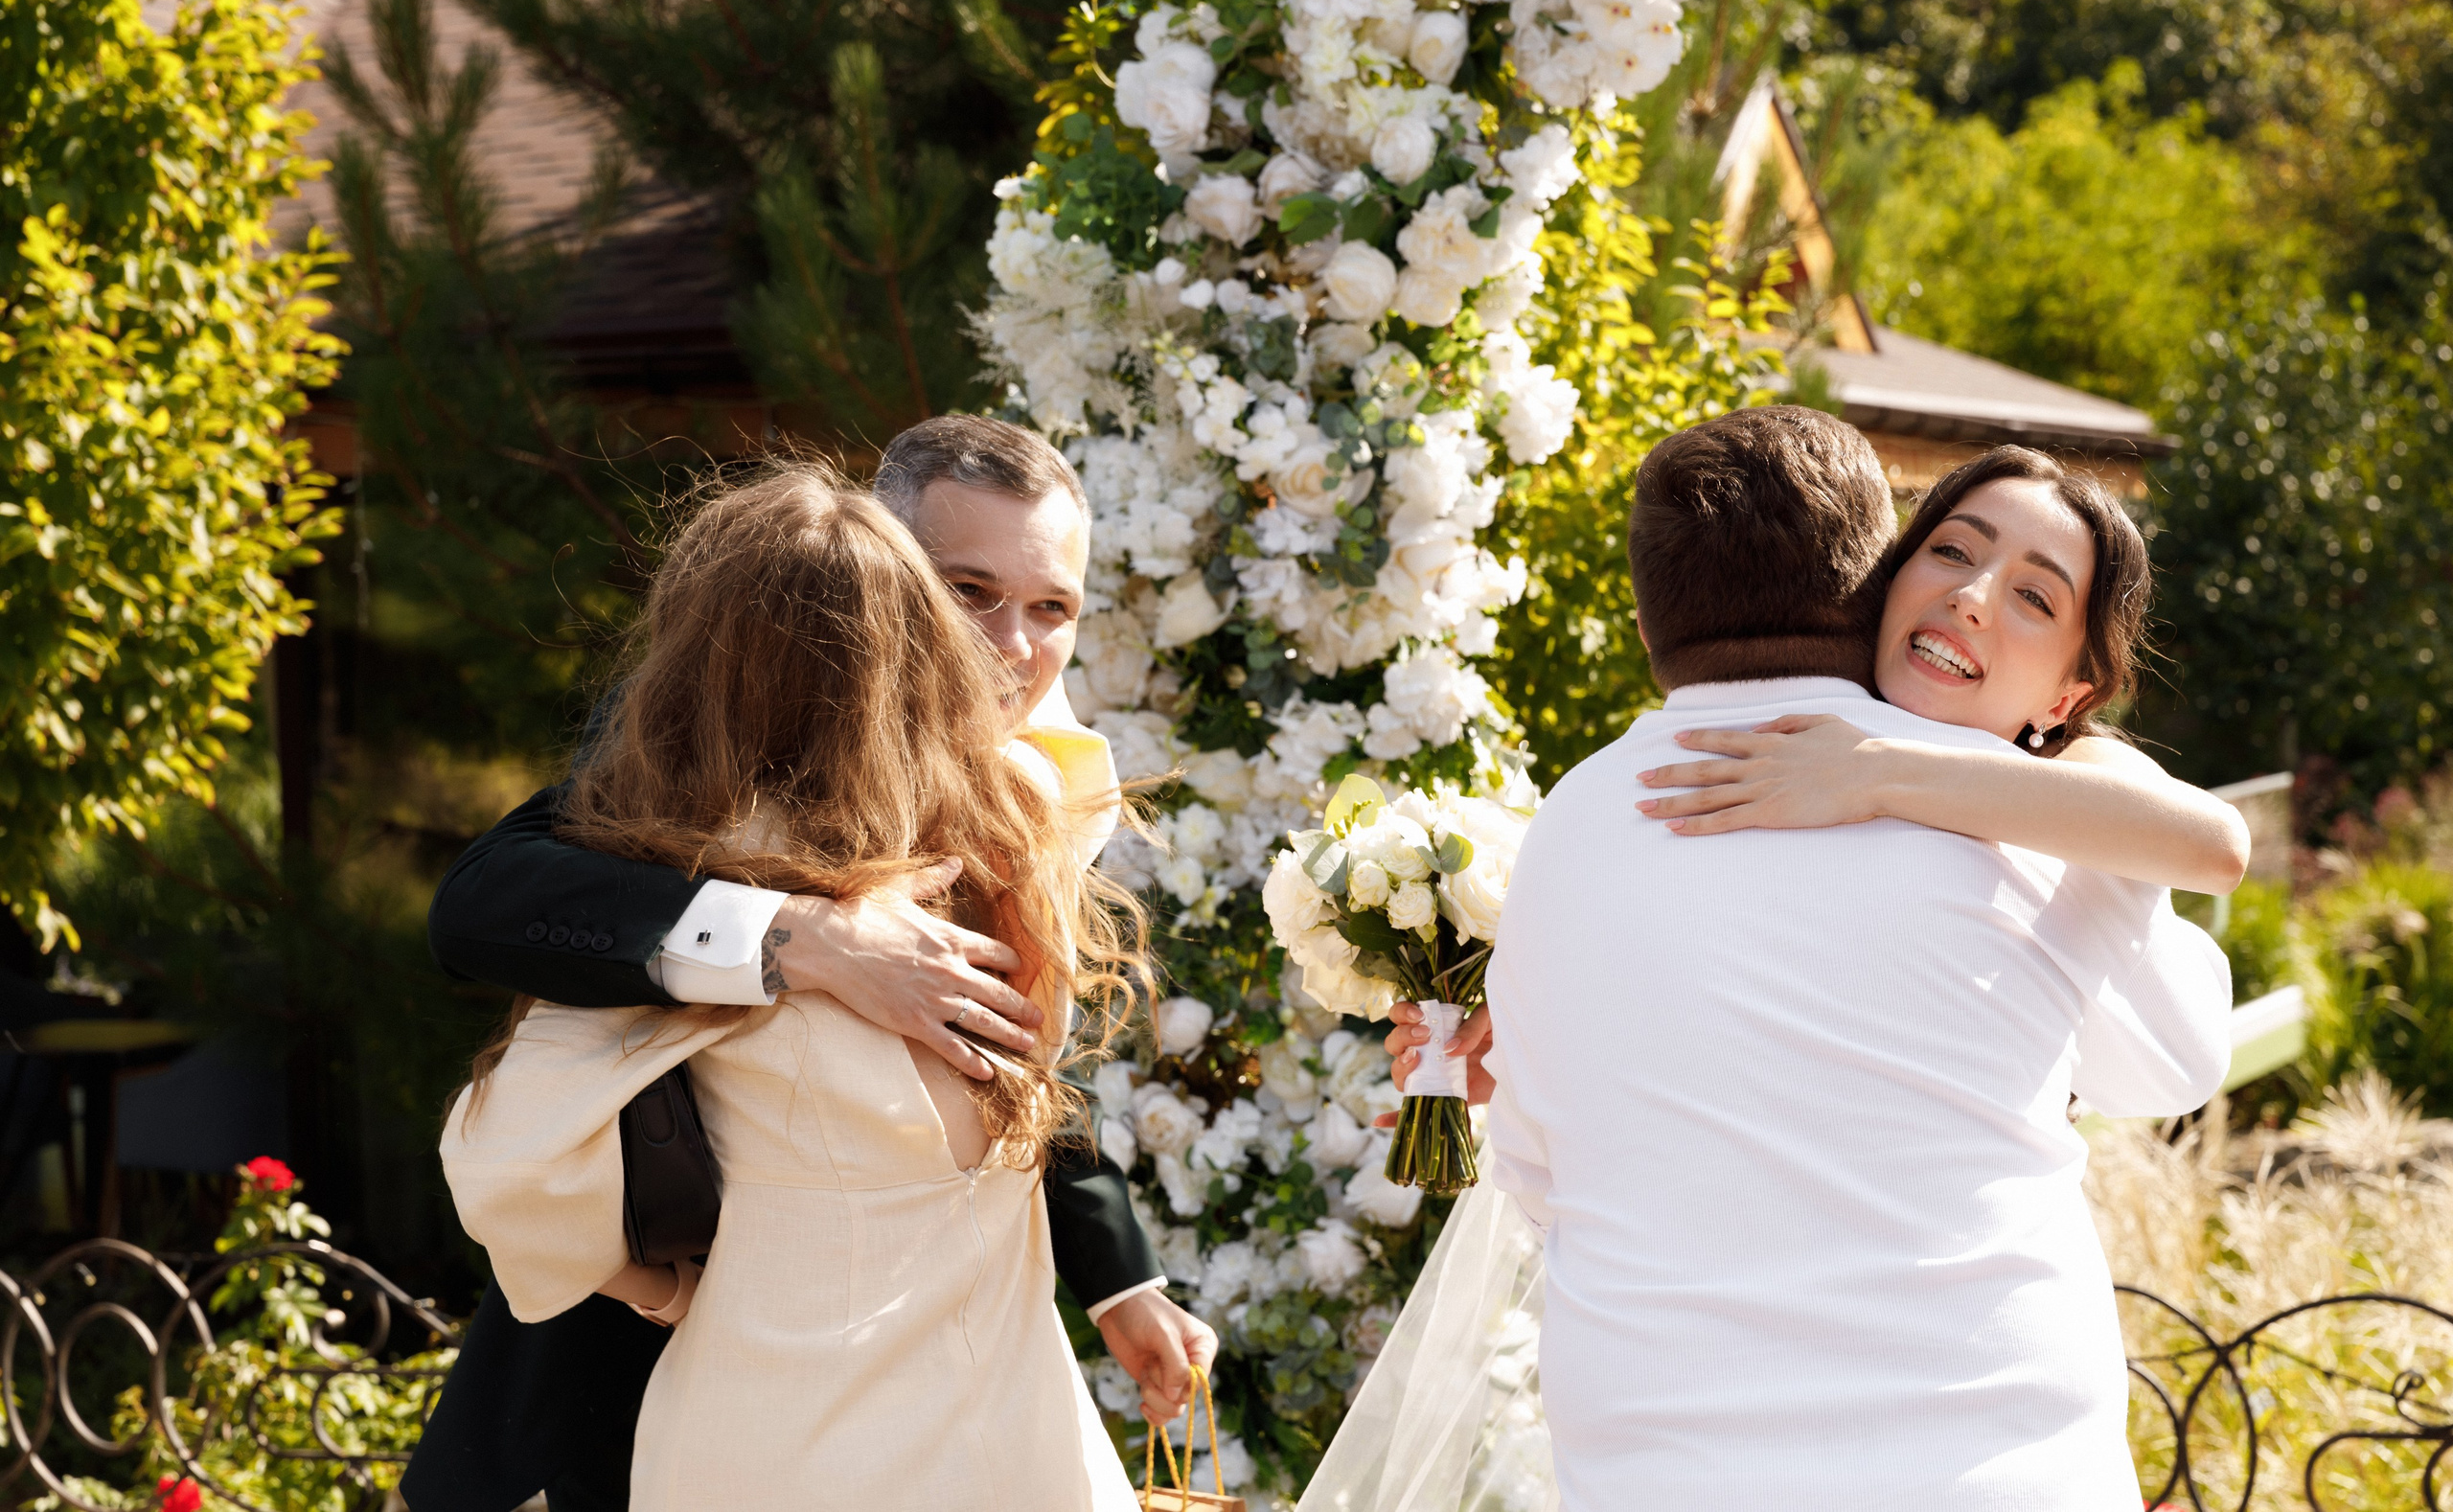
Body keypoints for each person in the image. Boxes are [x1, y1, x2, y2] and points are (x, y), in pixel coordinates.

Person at [1313, 413, 2234, 1511]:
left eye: (2035, 596)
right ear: (1878, 574)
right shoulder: (1732, 790)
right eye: (1950, 549)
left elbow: (2188, 977)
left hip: (1795, 1452)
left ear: (2068, 699)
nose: (1974, 595)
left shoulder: (2060, 821)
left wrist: (1888, 774)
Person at [404, 418, 1213, 1512]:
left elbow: (1011, 1057)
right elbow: (486, 908)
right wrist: (797, 938)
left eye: (1051, 607)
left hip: (982, 1405)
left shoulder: (1039, 786)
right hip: (676, 1387)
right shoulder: (711, 761)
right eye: (968, 591)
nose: (1014, 647)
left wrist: (1117, 1275)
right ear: (876, 581)